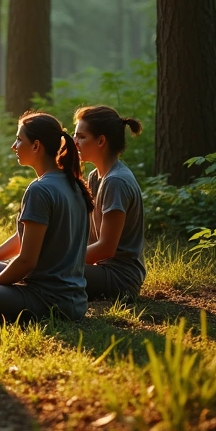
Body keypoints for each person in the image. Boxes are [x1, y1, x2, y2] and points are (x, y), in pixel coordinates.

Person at [0, 112, 92, 324]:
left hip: (50, 299)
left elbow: (27, 261)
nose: (14, 146)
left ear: (36, 146)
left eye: (19, 139)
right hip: (73, 299)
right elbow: (28, 238)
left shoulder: (40, 190)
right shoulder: (74, 183)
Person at [73, 106, 145, 300]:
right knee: (43, 267)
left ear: (101, 141)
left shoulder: (116, 182)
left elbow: (106, 248)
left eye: (81, 136)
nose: (74, 142)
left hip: (120, 279)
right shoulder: (95, 176)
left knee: (48, 271)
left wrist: (63, 261)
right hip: (99, 270)